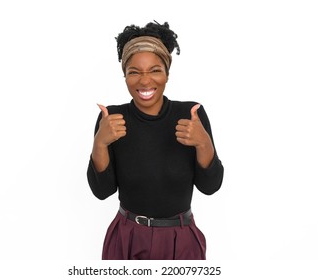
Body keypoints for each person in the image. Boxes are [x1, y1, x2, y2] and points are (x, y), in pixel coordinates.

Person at [87, 21, 224, 260]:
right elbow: (102, 192)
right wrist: (100, 143)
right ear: (125, 76)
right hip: (127, 238)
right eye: (134, 72)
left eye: (155, 70)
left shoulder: (191, 115)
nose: (145, 81)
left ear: (167, 73)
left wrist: (204, 144)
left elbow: (210, 187)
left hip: (180, 240)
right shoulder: (111, 118)